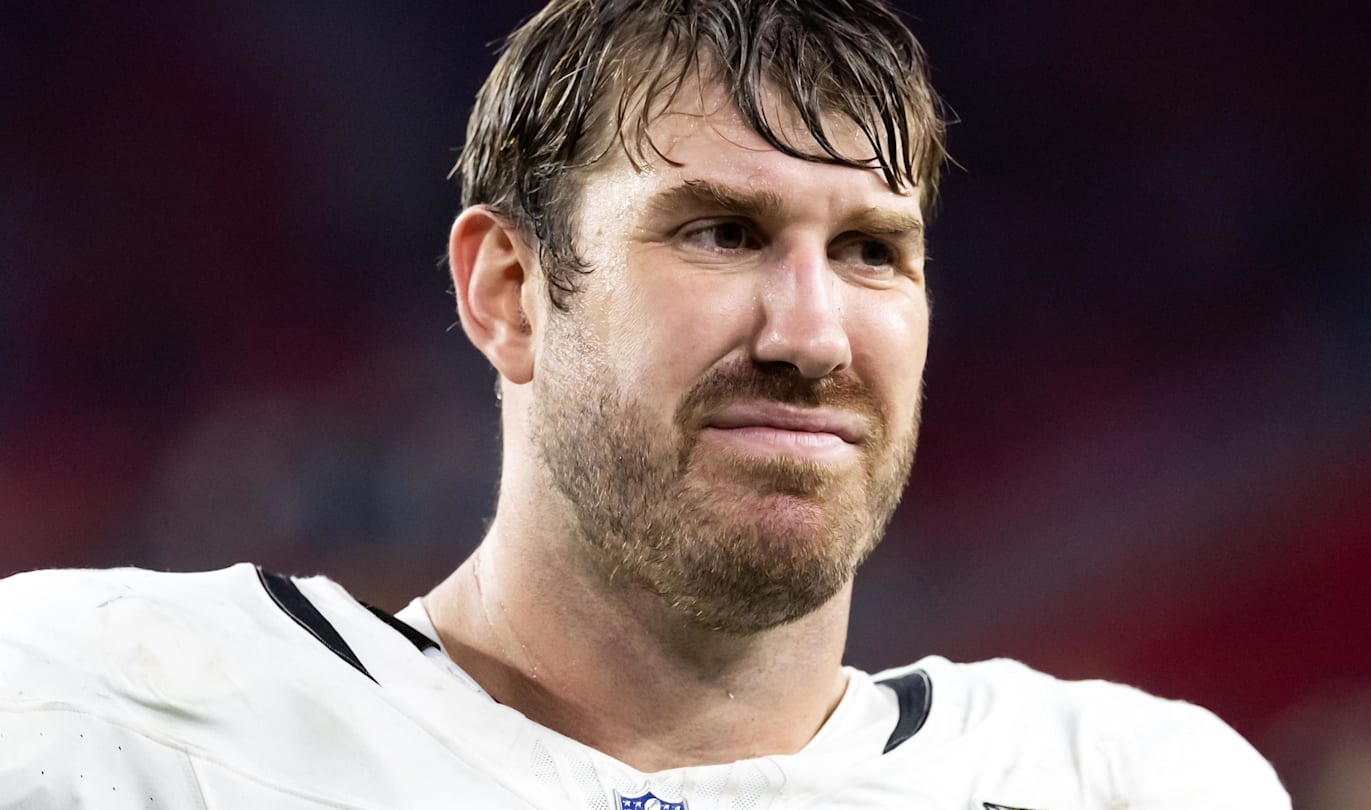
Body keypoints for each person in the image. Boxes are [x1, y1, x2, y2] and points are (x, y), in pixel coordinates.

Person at [0, 0, 1291, 807]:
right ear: (506, 289)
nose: (812, 333)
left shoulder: (1129, 783)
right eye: (722, 233)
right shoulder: (100, 719)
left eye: (872, 250)